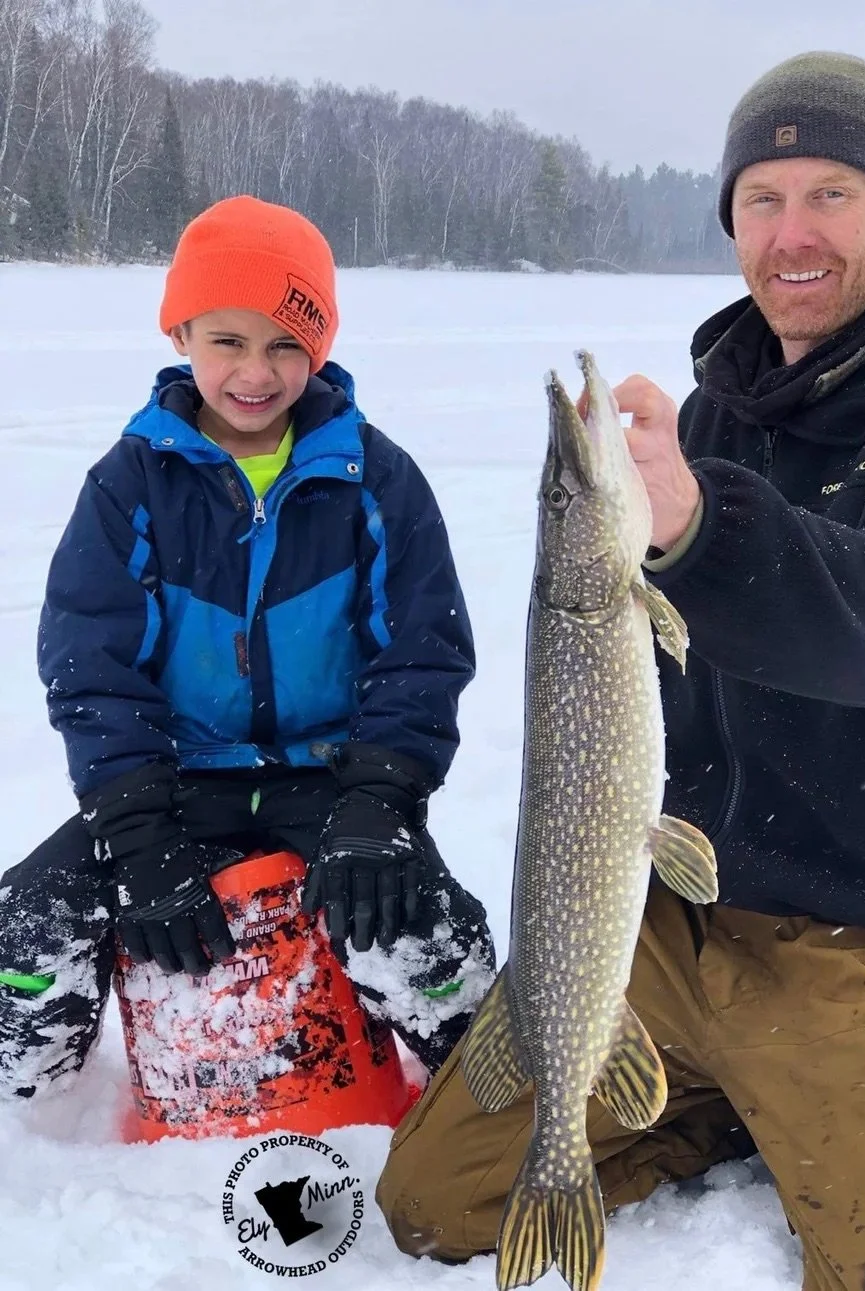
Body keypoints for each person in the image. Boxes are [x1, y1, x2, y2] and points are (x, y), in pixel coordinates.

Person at [376, 52, 865, 1289]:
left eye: (832, 192)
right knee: (434, 1201)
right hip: (671, 927)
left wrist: (701, 526)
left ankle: (863, 1073)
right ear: (730, 223)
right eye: (761, 200)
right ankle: (723, 1097)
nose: (793, 232)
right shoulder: (708, 422)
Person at [0, 195, 495, 1101]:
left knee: (422, 929)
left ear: (320, 346)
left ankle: (494, 1089)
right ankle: (33, 1100)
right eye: (227, 340)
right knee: (26, 926)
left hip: (332, 781)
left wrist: (379, 801)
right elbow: (92, 671)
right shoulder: (129, 485)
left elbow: (421, 655)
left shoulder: (377, 480)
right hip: (178, 783)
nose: (255, 373)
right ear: (182, 331)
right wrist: (140, 837)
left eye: (284, 344)